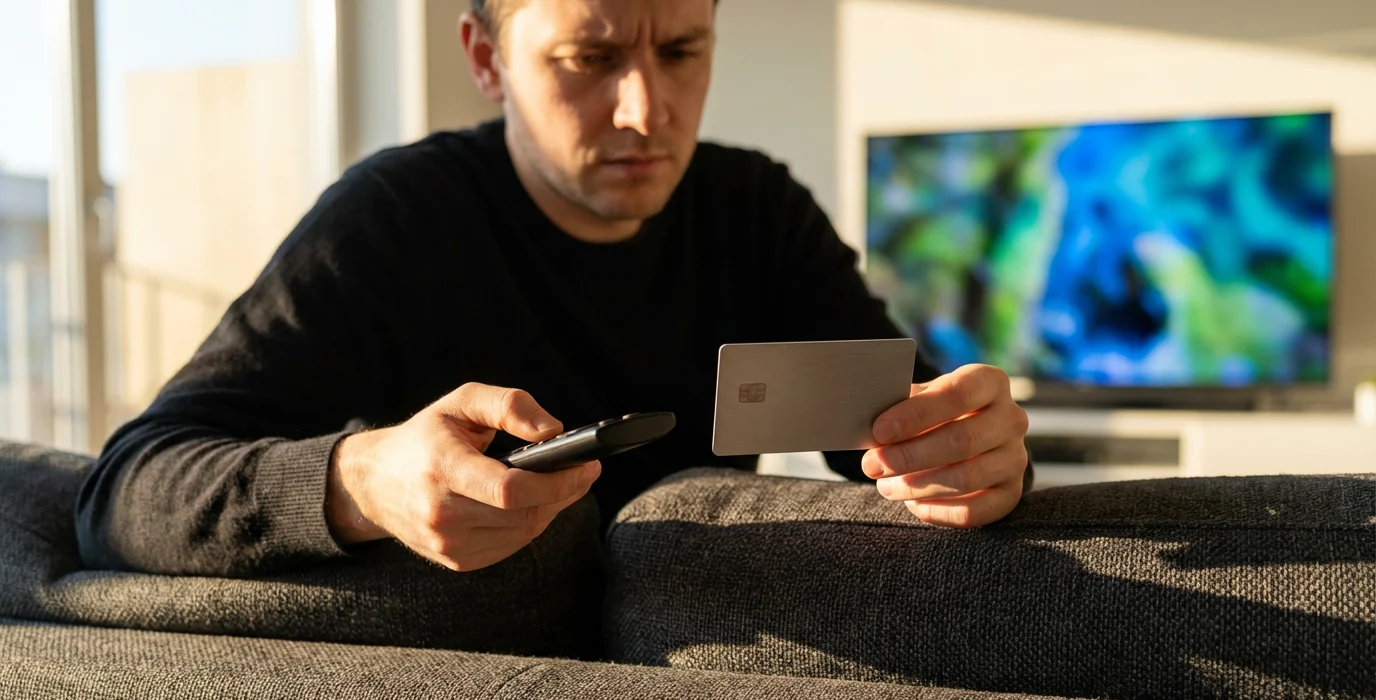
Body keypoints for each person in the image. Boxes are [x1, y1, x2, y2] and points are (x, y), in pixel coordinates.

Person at [74, 0, 1031, 578]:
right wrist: (360, 480)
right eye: (590, 59)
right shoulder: (393, 217)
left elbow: (911, 421)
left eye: (682, 53)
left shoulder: (754, 208)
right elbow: (124, 490)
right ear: (487, 61)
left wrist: (975, 450)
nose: (646, 110)